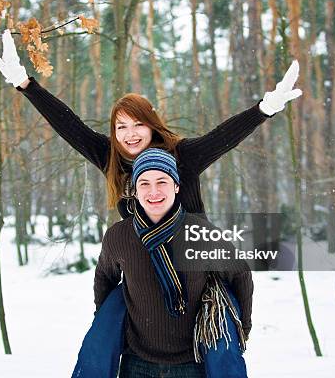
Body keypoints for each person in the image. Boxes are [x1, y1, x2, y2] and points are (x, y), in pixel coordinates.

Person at [0, 30, 302, 219]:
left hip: (188, 259)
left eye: (137, 124)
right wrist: (25, 84)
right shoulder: (109, 156)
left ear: (152, 125)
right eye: (121, 127)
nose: (129, 134)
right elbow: (68, 124)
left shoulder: (183, 155)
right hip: (140, 262)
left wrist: (266, 108)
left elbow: (224, 136)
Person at [73, 148, 253, 378]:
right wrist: (108, 325)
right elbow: (105, 279)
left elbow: (240, 275)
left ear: (176, 187)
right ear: (135, 191)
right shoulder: (119, 236)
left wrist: (241, 327)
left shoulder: (201, 233)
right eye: (145, 183)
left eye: (162, 181)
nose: (154, 191)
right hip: (137, 363)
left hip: (192, 363)